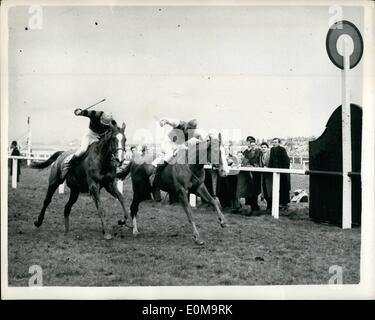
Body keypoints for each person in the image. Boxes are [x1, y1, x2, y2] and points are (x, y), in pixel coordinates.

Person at [62, 108, 117, 178]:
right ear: (101, 118)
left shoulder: (112, 122)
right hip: (90, 135)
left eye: (106, 124)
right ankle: (68, 165)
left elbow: (116, 130)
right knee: (83, 150)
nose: (104, 125)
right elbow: (87, 113)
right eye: (103, 123)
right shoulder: (96, 114)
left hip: (101, 138)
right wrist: (79, 112)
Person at [268, 137, 291, 210]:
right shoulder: (272, 150)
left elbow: (286, 161)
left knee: (284, 188)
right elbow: (271, 161)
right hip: (275, 172)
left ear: (279, 143)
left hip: (283, 173)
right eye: (273, 142)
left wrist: (283, 171)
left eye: (276, 142)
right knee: (276, 188)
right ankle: (278, 204)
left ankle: (285, 204)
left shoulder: (282, 149)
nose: (274, 143)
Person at [241, 136, 262, 212]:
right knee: (248, 189)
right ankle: (249, 205)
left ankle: (255, 206)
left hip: (256, 173)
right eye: (249, 143)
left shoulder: (259, 151)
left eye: (253, 144)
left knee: (255, 190)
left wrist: (255, 165)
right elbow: (243, 160)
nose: (251, 145)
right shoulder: (246, 151)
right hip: (248, 173)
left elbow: (259, 161)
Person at [259, 142, 272, 212]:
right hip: (263, 175)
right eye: (262, 147)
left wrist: (268, 167)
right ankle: (268, 205)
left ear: (267, 148)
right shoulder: (261, 155)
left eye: (265, 147)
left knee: (269, 191)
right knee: (264, 191)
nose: (263, 148)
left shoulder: (270, 155)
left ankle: (270, 206)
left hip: (269, 176)